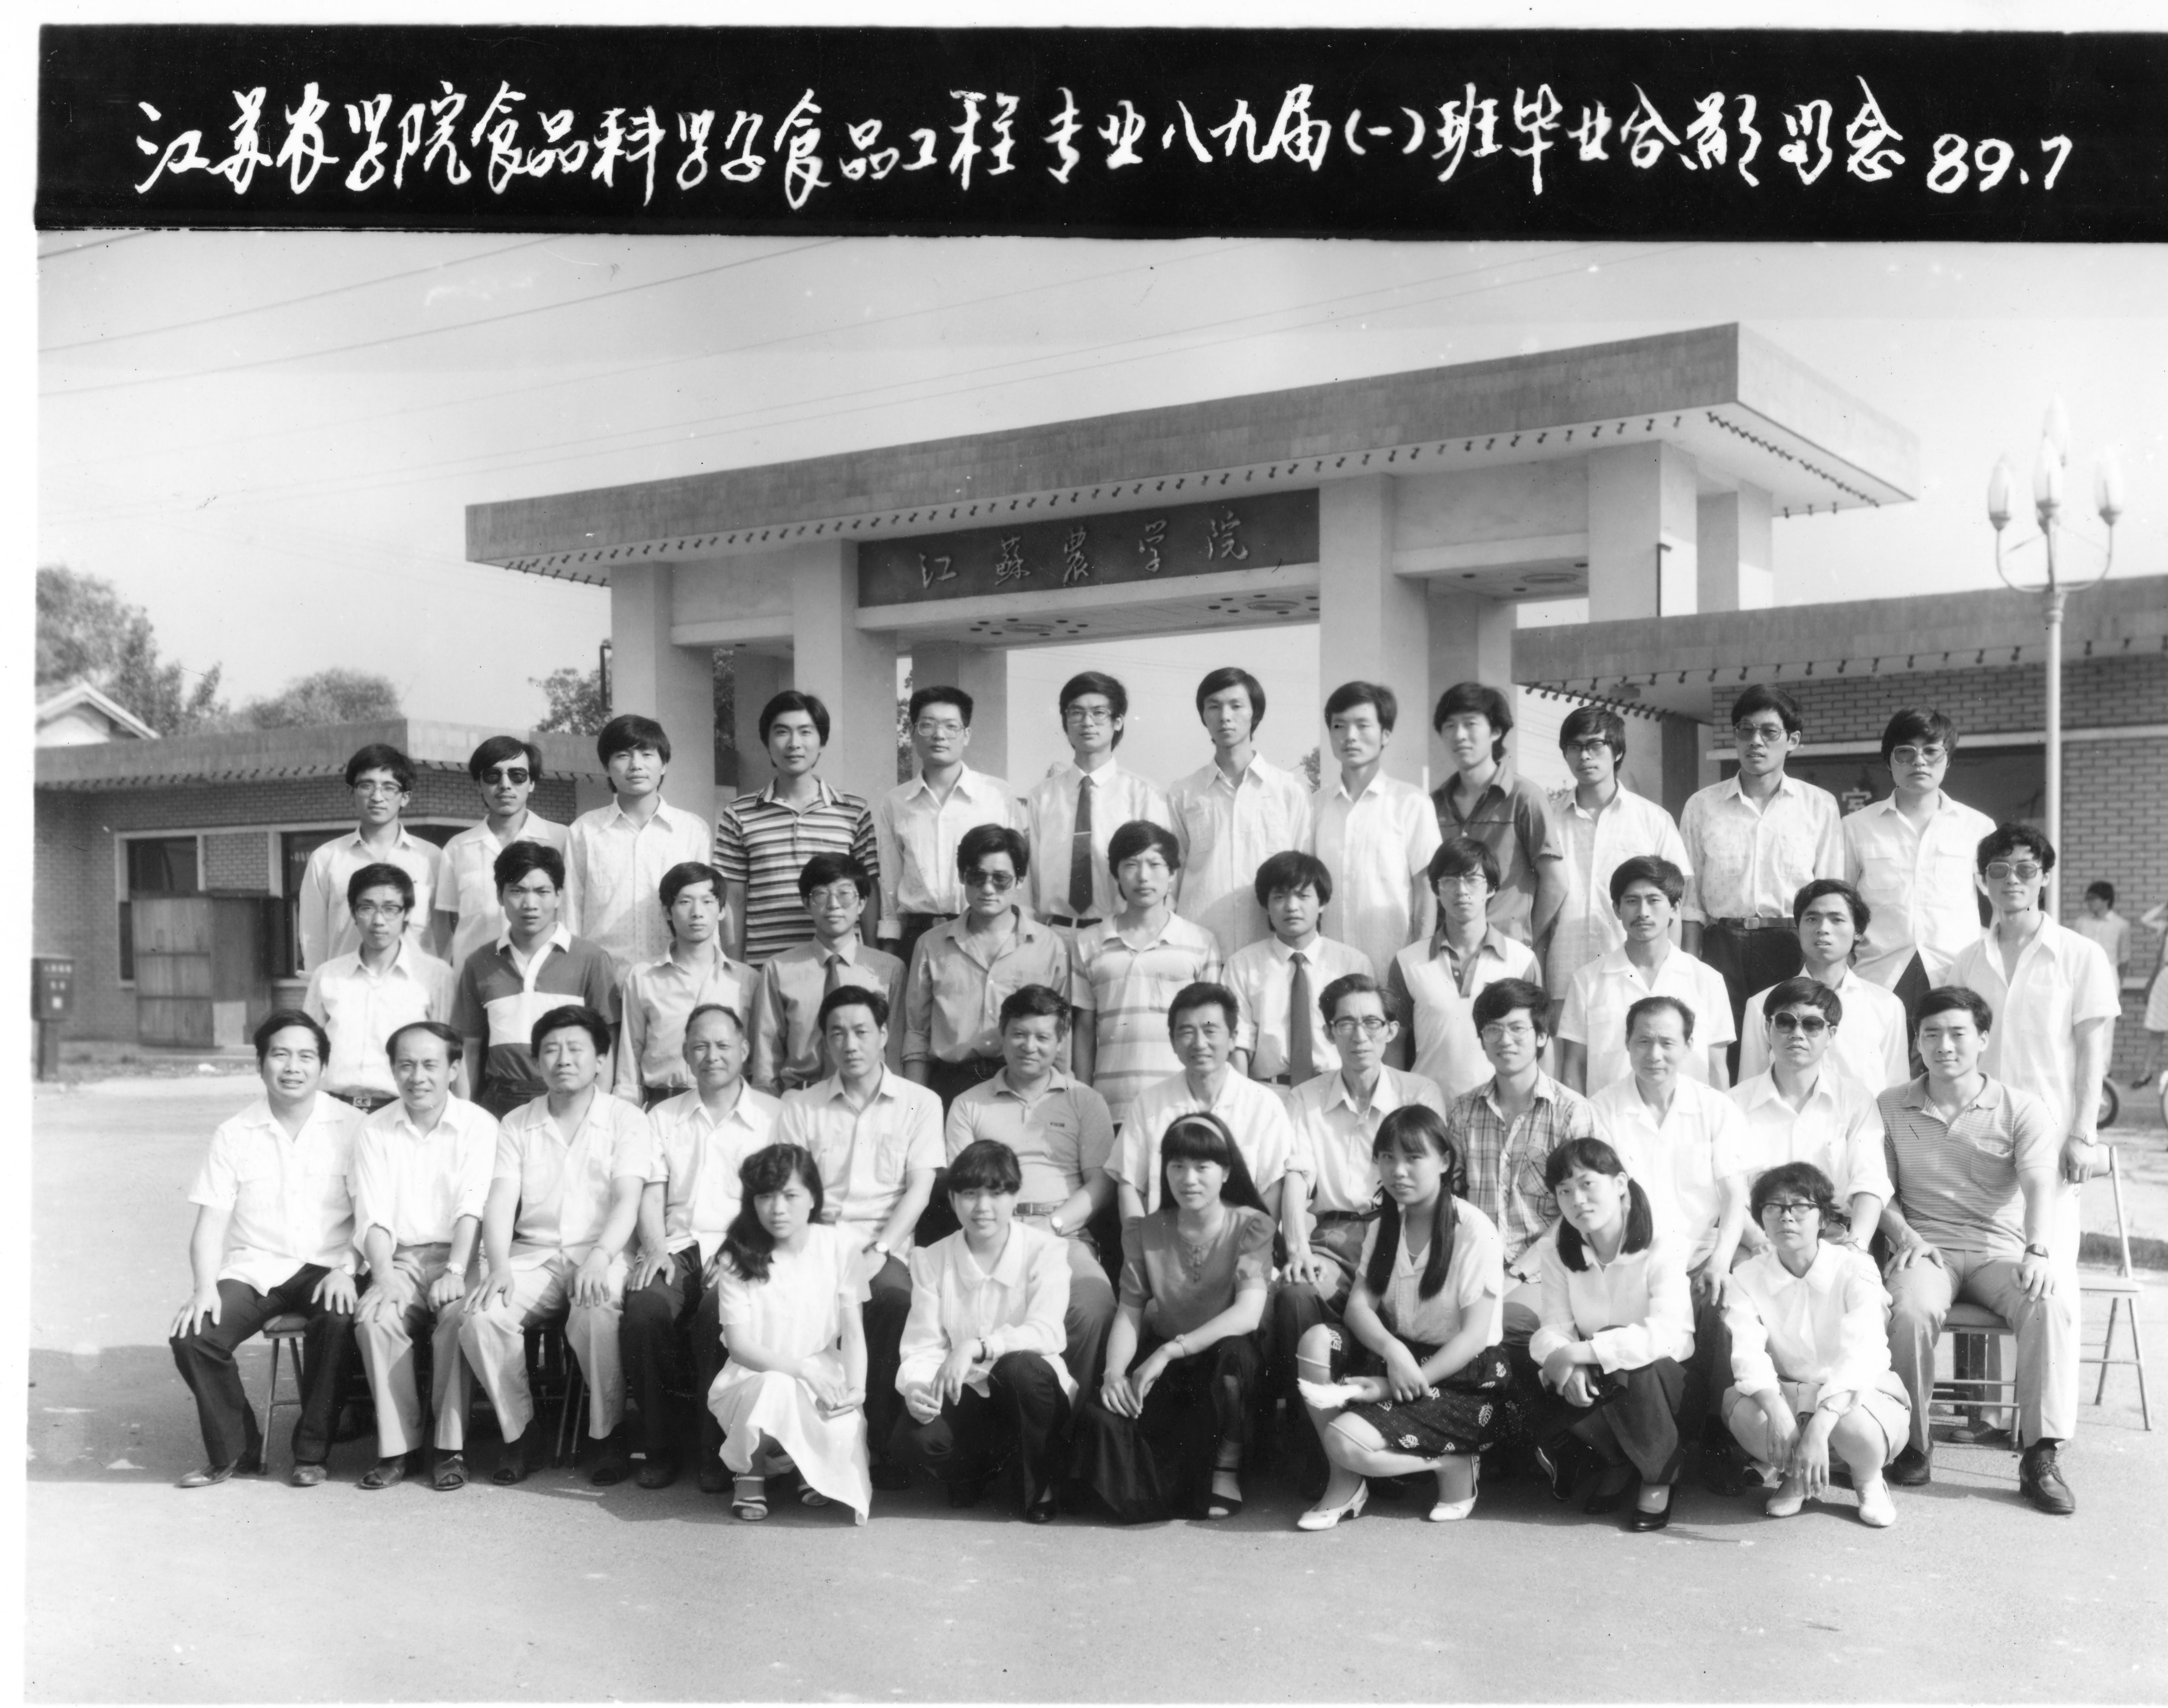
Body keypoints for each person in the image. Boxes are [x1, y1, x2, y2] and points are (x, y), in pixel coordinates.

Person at [1947, 822, 2116, 1494]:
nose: (2011, 880)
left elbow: (2093, 1051)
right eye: (1999, 869)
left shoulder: (2079, 954)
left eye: (2024, 868)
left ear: (2044, 876)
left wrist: (2084, 1133)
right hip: (1976, 1136)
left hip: (2048, 1142)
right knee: (1977, 1265)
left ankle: (2048, 1435)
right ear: (1982, 880)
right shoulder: (1966, 959)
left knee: (2050, 1285)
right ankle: (1981, 1411)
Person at [1877, 987, 2078, 1514]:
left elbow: (2039, 1185)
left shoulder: (2021, 1107)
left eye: (1958, 1033)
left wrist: (2038, 1251)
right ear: (1917, 1041)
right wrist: (1906, 1236)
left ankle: (2040, 1455)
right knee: (1910, 1310)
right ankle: (1914, 1443)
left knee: (2046, 1303)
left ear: (1983, 1039)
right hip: (1927, 1249)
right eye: (1931, 1034)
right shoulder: (1890, 1105)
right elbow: (1878, 1192)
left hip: (1998, 1251)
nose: (1944, 1045)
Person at [458, 1004, 653, 1487]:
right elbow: (500, 1202)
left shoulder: (626, 1119)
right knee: (481, 1316)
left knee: (597, 1309)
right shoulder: (516, 1123)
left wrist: (601, 1258)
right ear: (537, 1060)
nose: (563, 1059)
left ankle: (606, 1434)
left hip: (602, 1252)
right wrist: (498, 1266)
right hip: (535, 1256)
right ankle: (521, 1433)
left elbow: (628, 1200)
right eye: (550, 1050)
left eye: (575, 1049)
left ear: (601, 1059)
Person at [1292, 1105, 1511, 1529]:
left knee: (1344, 1441)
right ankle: (1344, 1484)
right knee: (1316, 1341)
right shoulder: (1386, 1226)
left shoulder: (1473, 1229)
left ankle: (1454, 1465)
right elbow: (1359, 1308)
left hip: (1460, 1374)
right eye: (1388, 1157)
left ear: (1444, 1162)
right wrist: (1392, 1351)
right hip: (1403, 1357)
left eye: (1414, 1157)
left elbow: (1473, 1338)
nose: (1399, 1171)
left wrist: (1394, 1383)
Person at [168, 1011, 362, 1489]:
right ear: (260, 1064)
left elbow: (373, 1215)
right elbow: (211, 1222)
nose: (292, 1067)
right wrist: (203, 1288)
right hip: (256, 1268)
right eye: (280, 1055)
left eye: (306, 1057)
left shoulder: (355, 1127)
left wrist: (350, 1267)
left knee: (337, 1320)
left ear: (323, 1067)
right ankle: (237, 1451)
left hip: (330, 1264)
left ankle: (312, 1453)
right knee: (194, 1336)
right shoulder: (235, 1133)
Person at [773, 986, 944, 1493]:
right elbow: (788, 1189)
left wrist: (880, 1250)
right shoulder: (801, 1106)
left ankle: (880, 1450)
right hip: (814, 1244)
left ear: (885, 1035)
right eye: (837, 1034)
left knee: (893, 1299)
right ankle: (804, 1451)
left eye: (861, 1032)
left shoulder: (920, 1102)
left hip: (884, 1244)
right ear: (824, 1042)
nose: (850, 1045)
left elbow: (920, 1189)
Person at [1070, 1113, 1274, 1521]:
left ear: (1226, 1172)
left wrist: (1169, 1352)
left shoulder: (1252, 1225)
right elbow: (1130, 1311)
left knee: (1233, 1363)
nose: (1188, 1179)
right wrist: (1114, 1373)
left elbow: (1248, 1315)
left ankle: (1226, 1465)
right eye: (1177, 1166)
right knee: (1103, 1417)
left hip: (1224, 1358)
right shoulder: (1144, 1230)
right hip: (1170, 1364)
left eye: (1202, 1167)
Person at [1589, 994, 1751, 1489]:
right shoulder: (1602, 1110)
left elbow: (1735, 1196)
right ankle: (1647, 1450)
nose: (1654, 1054)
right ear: (1626, 1043)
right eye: (1643, 1041)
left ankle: (1719, 1438)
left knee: (1724, 1314)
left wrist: (1720, 1261)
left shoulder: (1715, 1109)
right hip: (1632, 1259)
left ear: (1688, 1045)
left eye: (1667, 1042)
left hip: (1700, 1255)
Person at [622, 1003, 781, 1492]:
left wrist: (739, 1250)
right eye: (700, 1046)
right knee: (645, 1310)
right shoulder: (662, 1116)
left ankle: (715, 1452)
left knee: (719, 1314)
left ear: (745, 1050)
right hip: (679, 1245)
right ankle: (660, 1446)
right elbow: (652, 1191)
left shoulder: (774, 1116)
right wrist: (654, 1248)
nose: (712, 1056)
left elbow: (778, 1199)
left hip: (745, 1248)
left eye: (723, 1045)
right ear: (686, 1054)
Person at [945, 985, 1120, 1397]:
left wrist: (1052, 1225)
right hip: (989, 1233)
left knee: (1094, 1304)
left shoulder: (1085, 1101)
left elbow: (1101, 1183)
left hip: (1063, 1233)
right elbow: (961, 1184)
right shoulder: (968, 1104)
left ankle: (1067, 1409)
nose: (1030, 1046)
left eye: (1043, 1037)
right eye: (1019, 1035)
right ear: (1002, 1036)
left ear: (1060, 1041)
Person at [891, 1139, 1075, 1521]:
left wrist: (977, 1346)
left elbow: (1046, 1332)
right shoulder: (932, 1258)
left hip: (1027, 1391)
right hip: (968, 1394)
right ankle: (975, 1473)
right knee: (915, 1437)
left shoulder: (1045, 1250)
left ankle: (1040, 1483)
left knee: (1019, 1368)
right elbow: (923, 1346)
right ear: (953, 1199)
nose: (983, 1207)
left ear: (1016, 1196)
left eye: (996, 1193)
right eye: (970, 1194)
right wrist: (917, 1388)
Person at [349, 1020, 496, 1492]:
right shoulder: (374, 1129)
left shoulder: (479, 1124)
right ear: (393, 1071)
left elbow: (473, 1204)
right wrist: (383, 1275)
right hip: (401, 1256)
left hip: (464, 1254)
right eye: (406, 1066)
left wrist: (456, 1269)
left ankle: (450, 1447)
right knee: (376, 1318)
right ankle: (399, 1448)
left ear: (453, 1069)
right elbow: (372, 1214)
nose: (418, 1077)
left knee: (458, 1317)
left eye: (430, 1065)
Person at [1721, 1162, 1908, 1528]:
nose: (1786, 1217)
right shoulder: (1745, 1276)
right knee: (1747, 1412)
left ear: (1823, 1218)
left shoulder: (1856, 1268)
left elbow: (1862, 1355)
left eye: (1800, 1207)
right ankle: (1797, 1476)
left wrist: (1820, 1426)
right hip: (1791, 1394)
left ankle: (1868, 1479)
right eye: (1773, 1207)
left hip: (1859, 1396)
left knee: (1851, 1423)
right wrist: (1777, 1412)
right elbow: (1747, 1353)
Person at [1525, 1137, 1697, 1532]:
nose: (1577, 1200)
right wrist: (1569, 1360)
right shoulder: (1556, 1252)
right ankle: (1618, 1460)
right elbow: (1553, 1328)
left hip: (1668, 1389)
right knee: (1545, 1363)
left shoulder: (1664, 1242)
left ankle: (1658, 1475)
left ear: (1620, 1184)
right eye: (1564, 1191)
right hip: (1606, 1380)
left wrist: (1580, 1353)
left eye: (1587, 1184)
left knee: (1615, 1343)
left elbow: (1669, 1335)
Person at [1278, 974, 1449, 1363]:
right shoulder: (1304, 1099)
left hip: (1399, 1233)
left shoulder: (1419, 1093)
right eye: (1346, 1024)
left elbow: (1430, 1182)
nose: (1360, 1036)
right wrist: (1297, 1250)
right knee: (1298, 1293)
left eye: (1372, 1022)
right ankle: (1303, 1400)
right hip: (1334, 1242)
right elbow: (1296, 1177)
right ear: (1329, 1032)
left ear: (1391, 1031)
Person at [1679, 686, 1843, 1071]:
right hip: (1721, 947)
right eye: (1746, 730)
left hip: (1792, 944)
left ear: (1793, 741)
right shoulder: (1702, 805)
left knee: (1788, 1050)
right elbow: (1689, 899)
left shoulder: (1819, 806)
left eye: (1769, 732)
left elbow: (1831, 893)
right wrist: (1687, 966)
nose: (1756, 741)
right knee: (1722, 1052)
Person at [706, 1143, 871, 1523]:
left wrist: (856, 1391)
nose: (777, 1209)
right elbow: (740, 1347)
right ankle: (751, 1471)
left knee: (842, 1420)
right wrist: (803, 1371)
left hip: (821, 1371)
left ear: (813, 1198)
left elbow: (853, 1333)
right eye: (765, 1196)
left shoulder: (841, 1247)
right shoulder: (735, 1256)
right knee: (776, 1387)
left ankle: (805, 1465)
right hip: (754, 1377)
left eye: (790, 1195)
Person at [1446, 977, 1600, 1345]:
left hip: (1545, 1271)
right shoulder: (1463, 1111)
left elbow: (1582, 1209)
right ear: (1482, 1039)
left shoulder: (1571, 1112)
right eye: (1493, 1029)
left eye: (1517, 1028)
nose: (1505, 1040)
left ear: (1542, 1036)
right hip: (1473, 1265)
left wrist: (1516, 1272)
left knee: (1503, 1325)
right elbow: (1449, 1198)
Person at [1108, 982, 1299, 1235]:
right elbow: (1129, 1185)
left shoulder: (1264, 1105)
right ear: (1173, 1041)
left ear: (1233, 1038)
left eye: (1210, 1031)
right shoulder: (1149, 1104)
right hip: (1164, 1249)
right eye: (1187, 1032)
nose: (1199, 1043)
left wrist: (1251, 1249)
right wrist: (1141, 1249)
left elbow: (1273, 1188)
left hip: (1242, 1248)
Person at [900, 824, 1069, 1109]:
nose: (988, 889)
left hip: (1027, 1087)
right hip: (951, 1084)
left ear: (1020, 880)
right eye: (977, 877)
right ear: (962, 877)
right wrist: (915, 1107)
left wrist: (1062, 1100)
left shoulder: (1049, 946)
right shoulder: (931, 945)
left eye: (1001, 879)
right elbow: (917, 1033)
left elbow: (1062, 1034)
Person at [1841, 708, 1997, 1008]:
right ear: (1889, 761)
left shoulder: (1978, 827)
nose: (1919, 761)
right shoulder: (1856, 827)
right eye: (1905, 752)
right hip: (1878, 976)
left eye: (1932, 751)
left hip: (1956, 976)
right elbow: (1841, 904)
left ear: (1948, 759)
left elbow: (1999, 903)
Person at [451, 842, 618, 1120]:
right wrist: (463, 1116)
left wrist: (595, 1115)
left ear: (559, 896)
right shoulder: (479, 962)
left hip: (571, 1101)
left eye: (542, 892)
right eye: (517, 891)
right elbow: (470, 1049)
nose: (530, 904)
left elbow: (607, 1046)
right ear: (500, 896)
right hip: (500, 1099)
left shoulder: (591, 958)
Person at [1069, 820, 1222, 1123]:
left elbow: (1212, 1026)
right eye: (1131, 865)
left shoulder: (1201, 942)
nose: (1143, 876)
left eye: (1155, 864)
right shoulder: (1088, 944)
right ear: (1116, 874)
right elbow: (1084, 1030)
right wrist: (1085, 1100)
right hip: (1110, 1107)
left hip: (1183, 1105)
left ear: (1173, 873)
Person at [716, 690, 882, 964]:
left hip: (840, 966)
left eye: (806, 732)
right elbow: (734, 898)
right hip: (766, 967)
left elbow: (869, 890)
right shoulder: (739, 813)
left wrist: (873, 960)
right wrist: (734, 968)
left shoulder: (853, 811)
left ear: (822, 742)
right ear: (767, 742)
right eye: (782, 732)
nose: (794, 744)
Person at [1730, 978, 1894, 1243]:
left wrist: (1857, 1246)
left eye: (1812, 1024)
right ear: (1768, 1028)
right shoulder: (1734, 1103)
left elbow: (1870, 1182)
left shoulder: (1856, 1100)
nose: (1797, 1033)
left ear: (1831, 1034)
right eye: (1785, 1022)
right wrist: (1761, 1247)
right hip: (1755, 1241)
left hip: (1835, 1240)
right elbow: (1728, 1193)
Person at [1545, 705, 1693, 997]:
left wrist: (1666, 978)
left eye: (1595, 745)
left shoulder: (1653, 820)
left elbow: (1675, 904)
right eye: (1574, 747)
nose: (1584, 756)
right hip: (1564, 974)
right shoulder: (1548, 820)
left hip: (1636, 976)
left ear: (1618, 751)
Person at [1167, 666, 1314, 959]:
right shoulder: (1183, 794)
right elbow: (1173, 876)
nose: (1225, 716)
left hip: (1271, 949)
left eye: (1236, 706)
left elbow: (1304, 873)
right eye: (1214, 707)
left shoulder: (1289, 790)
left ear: (1255, 713)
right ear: (1203, 716)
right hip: (1199, 949)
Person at [1557, 856, 1733, 1095]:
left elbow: (1717, 1067)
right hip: (1609, 1115)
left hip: (1689, 1116)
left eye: (1654, 900)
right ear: (1617, 909)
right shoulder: (1587, 981)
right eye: (1632, 901)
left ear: (1675, 908)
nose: (1643, 912)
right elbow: (1574, 1066)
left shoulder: (1708, 980)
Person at [1387, 838, 1541, 1104]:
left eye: (1472, 880)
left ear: (1491, 888)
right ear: (1436, 889)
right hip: (1428, 1110)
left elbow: (1541, 1043)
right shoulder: (1407, 962)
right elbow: (1394, 1045)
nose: (1461, 890)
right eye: (1449, 881)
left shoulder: (1522, 961)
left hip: (1500, 1111)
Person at [1020, 670, 1171, 942]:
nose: (1087, 722)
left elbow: (1162, 871)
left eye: (1099, 713)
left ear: (1118, 722)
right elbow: (1030, 875)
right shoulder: (1042, 796)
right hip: (1054, 935)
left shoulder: (1144, 795)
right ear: (1066, 721)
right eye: (1076, 713)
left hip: (1120, 935)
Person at [874, 684, 1017, 970]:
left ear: (967, 735)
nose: (939, 735)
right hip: (917, 935)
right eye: (928, 725)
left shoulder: (997, 795)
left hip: (983, 932)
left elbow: (1016, 874)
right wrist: (890, 946)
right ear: (913, 732)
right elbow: (890, 879)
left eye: (951, 727)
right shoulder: (895, 802)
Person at [564, 714, 714, 983]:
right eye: (623, 756)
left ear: (664, 764)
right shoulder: (584, 832)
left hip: (676, 982)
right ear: (606, 767)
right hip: (603, 982)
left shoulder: (693, 831)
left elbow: (708, 908)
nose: (636, 765)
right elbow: (570, 912)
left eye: (647, 755)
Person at [1310, 681, 1443, 983]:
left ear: (1385, 734)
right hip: (1328, 971)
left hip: (1392, 969)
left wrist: (1416, 965)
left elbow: (1427, 889)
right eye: (1339, 726)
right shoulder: (1315, 806)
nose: (1350, 736)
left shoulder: (1411, 803)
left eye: (1362, 725)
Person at [303, 862, 456, 1114]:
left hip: (405, 1111)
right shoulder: (327, 976)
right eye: (367, 908)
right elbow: (306, 1050)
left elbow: (448, 1054)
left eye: (390, 909)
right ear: (353, 913)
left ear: (407, 913)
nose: (378, 921)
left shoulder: (435, 976)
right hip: (333, 1109)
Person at [748, 854, 906, 1094]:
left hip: (868, 1098)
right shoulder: (778, 969)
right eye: (821, 895)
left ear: (862, 903)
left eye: (845, 894)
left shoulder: (890, 970)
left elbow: (894, 1054)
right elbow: (766, 1060)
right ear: (807, 903)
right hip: (800, 1098)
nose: (833, 905)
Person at [1430, 681, 1564, 953]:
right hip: (1447, 955)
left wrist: (1523, 943)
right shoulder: (1433, 804)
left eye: (1470, 724)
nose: (1459, 735)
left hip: (1507, 957)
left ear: (1496, 731)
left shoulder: (1525, 797)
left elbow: (1556, 883)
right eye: (1449, 726)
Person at [1735, 880, 1908, 1091]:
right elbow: (1749, 1089)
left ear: (1858, 931)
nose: (1823, 929)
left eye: (1837, 920)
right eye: (1812, 919)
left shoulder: (1886, 1006)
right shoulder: (1761, 1004)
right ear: (1799, 927)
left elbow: (1897, 1090)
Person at [1224, 851, 1371, 1095]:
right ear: (1266, 905)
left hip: (1337, 1090)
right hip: (1268, 1092)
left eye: (1303, 896)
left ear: (1322, 903)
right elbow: (1239, 1044)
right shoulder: (1242, 965)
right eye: (1279, 897)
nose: (1292, 907)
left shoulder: (1352, 964)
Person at [612, 861, 757, 1107]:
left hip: (730, 1106)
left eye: (708, 902)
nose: (697, 912)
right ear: (667, 911)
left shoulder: (747, 980)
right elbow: (630, 1055)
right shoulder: (643, 977)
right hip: (663, 1107)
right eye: (685, 902)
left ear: (722, 910)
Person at [296, 743, 445, 973]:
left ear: (405, 797)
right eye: (367, 786)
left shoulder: (431, 859)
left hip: (414, 987)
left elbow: (443, 936)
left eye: (389, 788)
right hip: (346, 986)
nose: (377, 797)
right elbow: (313, 938)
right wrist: (319, 987)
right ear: (351, 793)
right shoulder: (325, 859)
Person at [434, 736, 569, 971]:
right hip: (476, 979)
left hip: (545, 975)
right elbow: (450, 924)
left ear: (532, 783)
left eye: (517, 775)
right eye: (493, 776)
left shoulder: (562, 840)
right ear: (478, 784)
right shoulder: (457, 849)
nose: (505, 785)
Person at [2073, 880, 2133, 982]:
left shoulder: (2121, 925)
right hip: (2084, 973)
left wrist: (2119, 981)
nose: (2089, 902)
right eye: (2088, 899)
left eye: (2093, 898)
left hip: (2109, 973)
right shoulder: (2081, 923)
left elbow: (2124, 957)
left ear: (2106, 900)